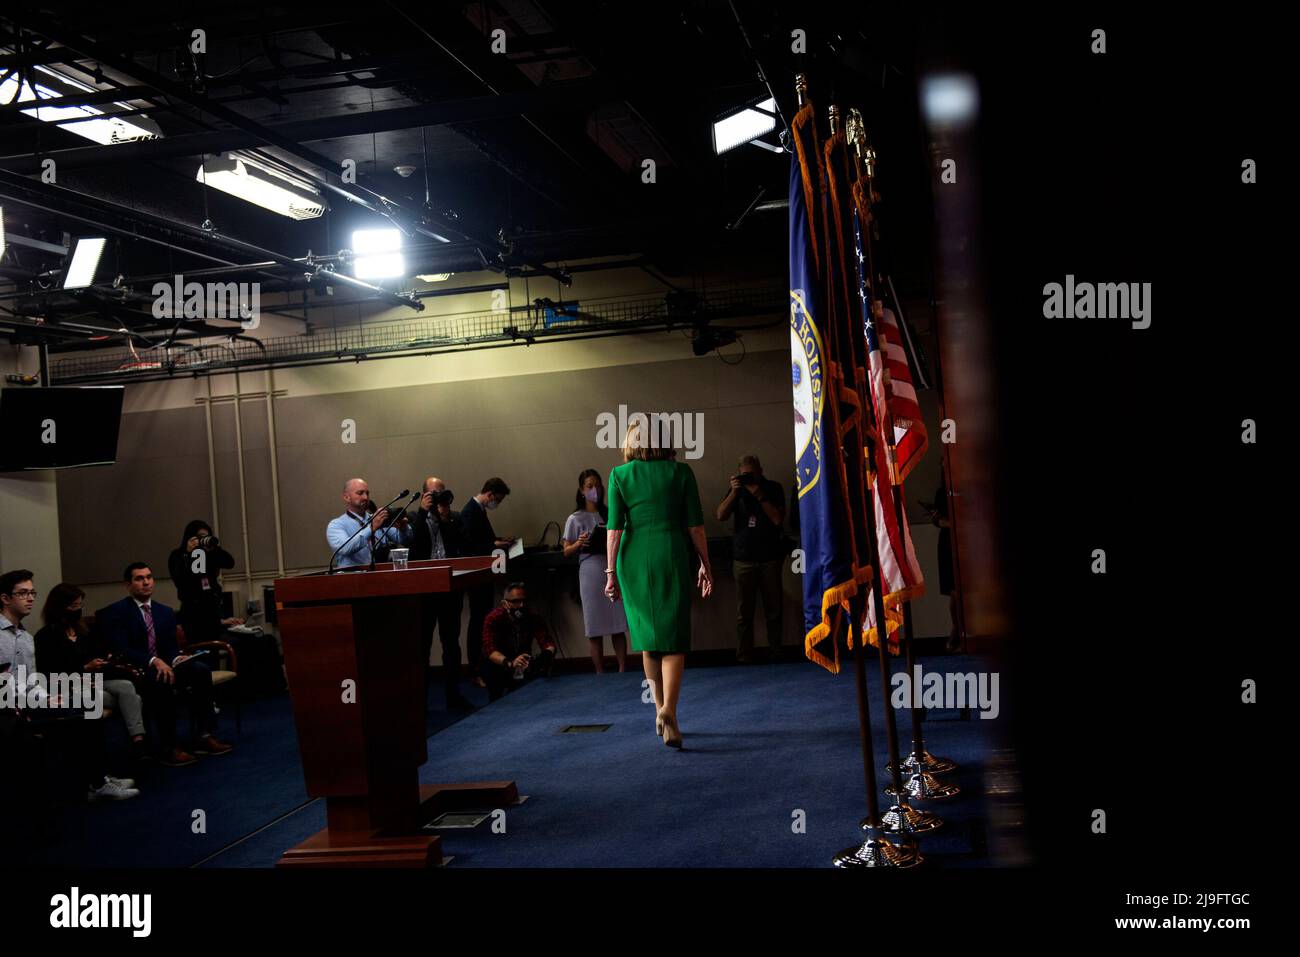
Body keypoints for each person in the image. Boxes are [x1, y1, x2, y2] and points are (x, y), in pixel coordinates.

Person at [604, 418, 713, 748]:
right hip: (670, 552)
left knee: (648, 639)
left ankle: (661, 716)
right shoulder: (681, 473)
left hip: (633, 558)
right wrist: (705, 564)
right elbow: (696, 526)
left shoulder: (619, 475)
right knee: (675, 638)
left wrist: (610, 573)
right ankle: (670, 711)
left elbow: (614, 530)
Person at [1, 570, 137, 802]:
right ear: (5, 598)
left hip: (29, 702)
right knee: (84, 710)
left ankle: (98, 780)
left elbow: (32, 680)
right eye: (23, 593)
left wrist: (47, 697)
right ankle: (94, 781)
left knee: (89, 705)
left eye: (32, 592)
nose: (30, 598)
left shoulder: (25, 637)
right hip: (8, 709)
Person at [98, 562, 234, 766]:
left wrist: (177, 658)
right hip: (138, 669)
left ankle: (204, 735)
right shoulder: (116, 612)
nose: (146, 582)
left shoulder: (164, 612)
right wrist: (153, 660)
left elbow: (169, 647)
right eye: (139, 578)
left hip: (166, 664)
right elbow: (121, 649)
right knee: (161, 680)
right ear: (128, 584)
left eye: (149, 577)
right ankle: (169, 746)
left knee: (200, 671)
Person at [168, 519, 283, 695]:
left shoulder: (208, 554)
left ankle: (264, 689)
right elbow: (183, 582)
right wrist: (189, 554)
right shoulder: (178, 555)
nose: (203, 540)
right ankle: (226, 693)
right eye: (200, 537)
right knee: (226, 649)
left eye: (206, 536)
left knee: (262, 640)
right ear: (189, 538)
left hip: (215, 618)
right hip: (195, 621)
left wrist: (212, 547)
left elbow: (229, 562)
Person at [35, 582, 148, 758]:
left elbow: (98, 653)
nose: (78, 610)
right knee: (134, 699)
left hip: (94, 680)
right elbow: (48, 673)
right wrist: (84, 668)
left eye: (80, 605)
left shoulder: (84, 632)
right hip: (68, 686)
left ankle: (138, 742)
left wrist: (103, 661)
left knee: (126, 686)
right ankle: (138, 742)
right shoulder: (45, 637)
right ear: (60, 607)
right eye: (74, 606)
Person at [716, 454, 787, 663]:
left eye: (752, 474)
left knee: (774, 609)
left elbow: (777, 519)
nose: (748, 478)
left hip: (770, 558)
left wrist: (759, 495)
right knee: (743, 613)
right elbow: (720, 515)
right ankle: (744, 655)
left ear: (761, 471)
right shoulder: (736, 491)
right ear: (739, 474)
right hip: (743, 559)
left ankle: (776, 651)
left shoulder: (773, 488)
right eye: (744, 475)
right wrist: (734, 493)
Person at [409, 476, 472, 710]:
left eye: (441, 493)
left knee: (451, 644)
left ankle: (453, 696)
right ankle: (420, 701)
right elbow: (412, 548)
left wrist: (445, 518)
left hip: (448, 590)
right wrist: (423, 512)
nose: (438, 498)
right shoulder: (415, 518)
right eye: (433, 494)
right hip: (424, 591)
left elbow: (464, 546)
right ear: (424, 494)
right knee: (422, 645)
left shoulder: (453, 517)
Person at [562, 469, 628, 673]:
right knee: (595, 626)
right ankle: (599, 671)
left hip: (611, 567)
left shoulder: (609, 513)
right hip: (589, 569)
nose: (595, 490)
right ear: (582, 490)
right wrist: (578, 543)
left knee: (617, 622)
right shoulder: (575, 518)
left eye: (598, 485)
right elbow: (566, 551)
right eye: (590, 486)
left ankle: (623, 668)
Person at [460, 477, 515, 687]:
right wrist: (494, 544)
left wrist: (498, 541)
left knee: (483, 621)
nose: (497, 504)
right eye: (498, 500)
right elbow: (470, 548)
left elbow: (482, 540)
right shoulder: (469, 512)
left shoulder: (478, 510)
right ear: (490, 494)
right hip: (476, 576)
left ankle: (483, 668)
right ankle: (475, 669)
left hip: (483, 574)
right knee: (478, 623)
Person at [481, 583, 556, 701]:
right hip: (501, 663)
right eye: (516, 601)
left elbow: (546, 641)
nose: (521, 605)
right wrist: (510, 663)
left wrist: (546, 654)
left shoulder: (532, 616)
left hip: (523, 662)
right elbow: (489, 650)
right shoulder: (494, 618)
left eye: (523, 601)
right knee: (492, 676)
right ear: (504, 603)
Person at [326, 478, 409, 569]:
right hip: (353, 578)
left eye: (367, 493)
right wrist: (371, 528)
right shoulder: (336, 525)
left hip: (381, 574)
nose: (366, 497)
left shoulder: (376, 518)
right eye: (360, 493)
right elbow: (344, 548)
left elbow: (402, 540)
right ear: (346, 497)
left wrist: (403, 529)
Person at [926, 480, 960, 653]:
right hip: (948, 542)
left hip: (967, 539)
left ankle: (961, 634)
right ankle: (957, 631)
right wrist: (952, 524)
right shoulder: (942, 491)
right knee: (953, 591)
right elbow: (936, 520)